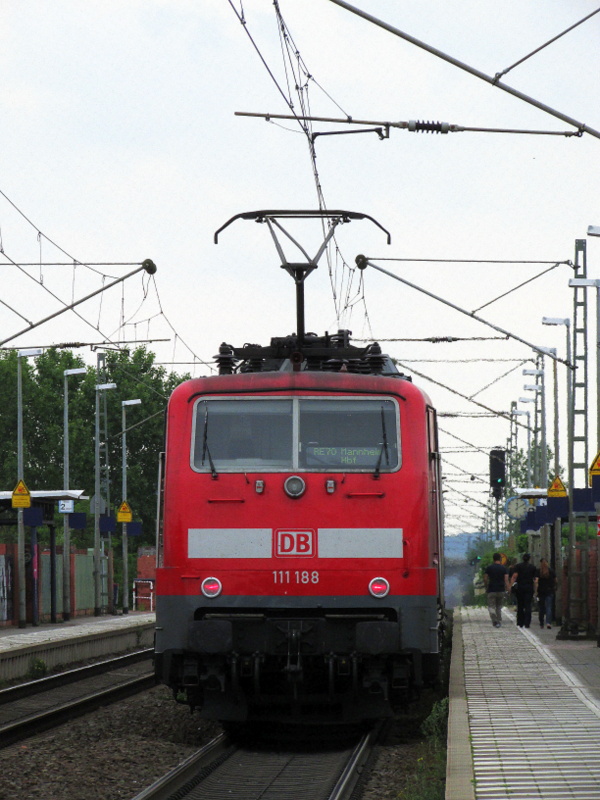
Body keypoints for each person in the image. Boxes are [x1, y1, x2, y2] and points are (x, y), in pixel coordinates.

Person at [510, 553, 538, 628]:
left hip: (520, 588)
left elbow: (514, 576)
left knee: (520, 605)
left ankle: (520, 621)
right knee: (528, 605)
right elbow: (535, 580)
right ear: (529, 559)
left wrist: (511, 586)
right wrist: (535, 590)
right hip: (529, 587)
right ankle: (527, 622)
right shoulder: (533, 567)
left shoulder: (518, 566)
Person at [483, 553, 509, 628]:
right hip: (501, 589)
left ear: (493, 559)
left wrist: (486, 586)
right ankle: (499, 620)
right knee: (499, 606)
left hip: (491, 589)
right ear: (500, 559)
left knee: (491, 606)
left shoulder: (489, 568)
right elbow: (506, 580)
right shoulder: (503, 568)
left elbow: (485, 578)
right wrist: (508, 588)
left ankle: (494, 619)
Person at [536, 557, 557, 629]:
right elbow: (556, 580)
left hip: (541, 591)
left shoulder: (538, 571)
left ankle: (541, 623)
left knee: (541, 608)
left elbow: (536, 582)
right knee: (549, 607)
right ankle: (548, 622)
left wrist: (535, 591)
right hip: (549, 591)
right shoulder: (551, 571)